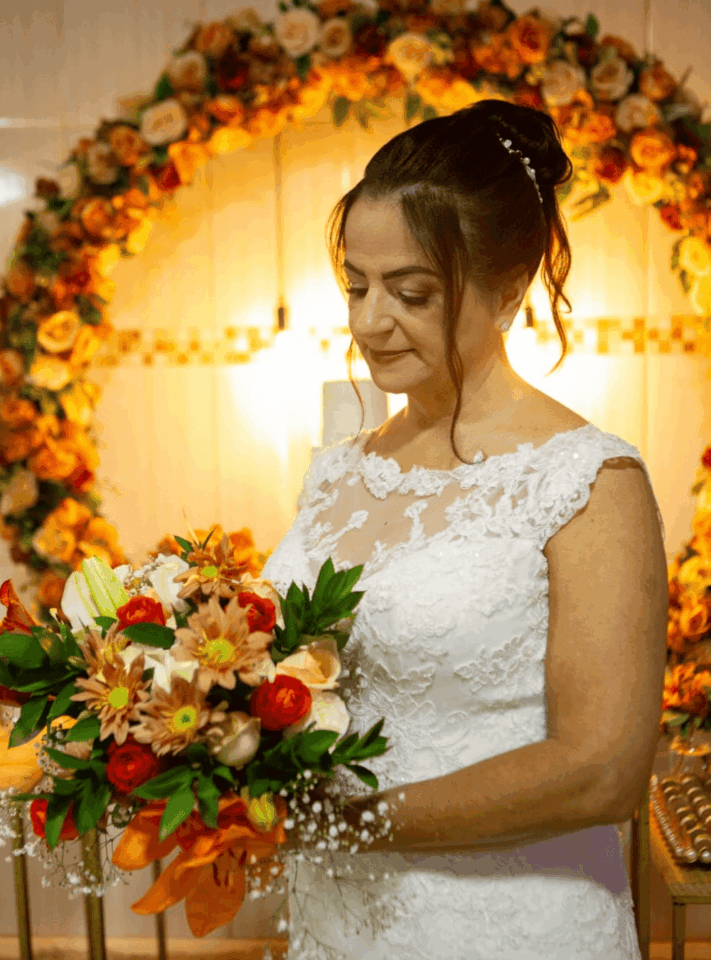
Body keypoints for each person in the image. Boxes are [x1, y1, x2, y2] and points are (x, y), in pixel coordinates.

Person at [260, 98, 668, 959]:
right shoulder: (335, 470)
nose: (369, 321)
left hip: (510, 925)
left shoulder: (589, 480)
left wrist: (346, 823)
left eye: (411, 292)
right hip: (334, 922)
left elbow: (601, 770)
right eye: (356, 286)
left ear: (508, 290)